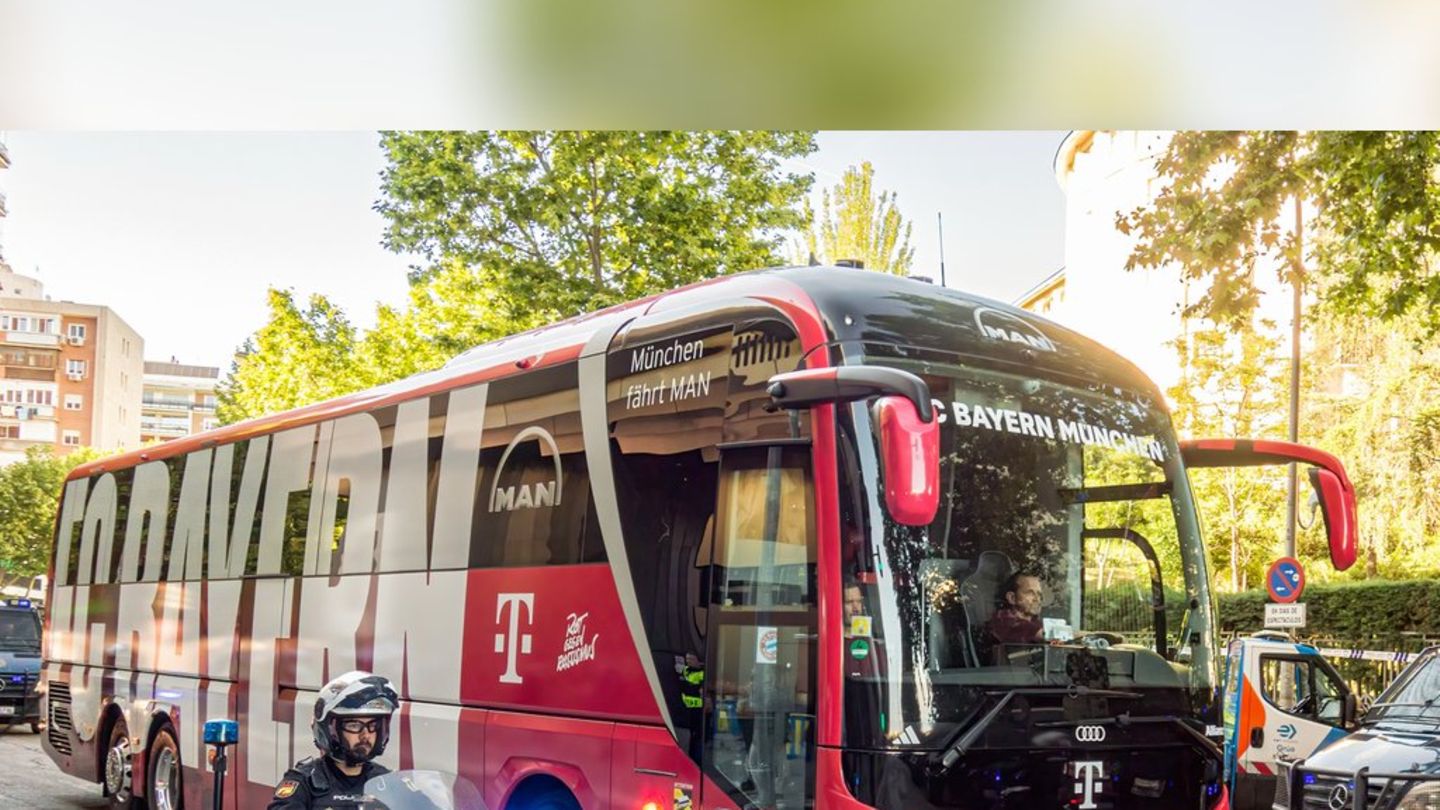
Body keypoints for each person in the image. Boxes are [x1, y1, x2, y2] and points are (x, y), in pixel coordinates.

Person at [268, 670, 398, 809]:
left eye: (373, 725)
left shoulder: (387, 782)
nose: (365, 735)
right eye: (354, 725)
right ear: (330, 730)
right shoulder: (304, 784)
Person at [978, 572, 1044, 662]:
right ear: (1012, 598)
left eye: (1039, 594)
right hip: (1002, 674)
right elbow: (1041, 634)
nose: (1037, 599)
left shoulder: (1035, 622)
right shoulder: (1002, 621)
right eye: (1030, 593)